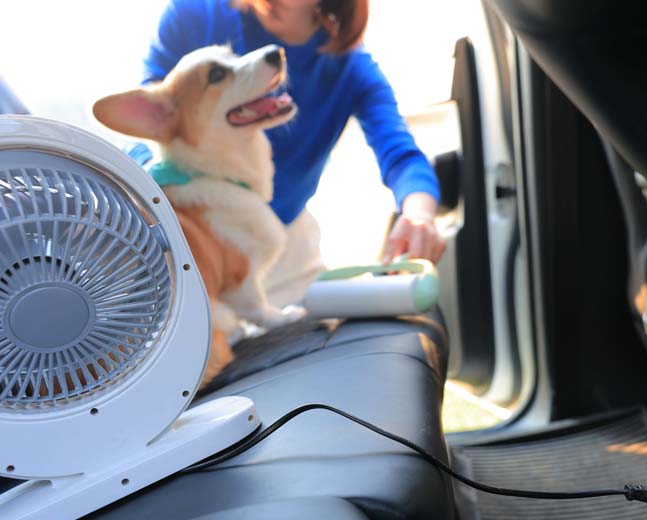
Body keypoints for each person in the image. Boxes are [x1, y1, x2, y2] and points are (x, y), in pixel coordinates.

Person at [143, 0, 445, 306]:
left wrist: (418, 215)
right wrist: (153, 195)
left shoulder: (352, 71)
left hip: (285, 249)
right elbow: (148, 118)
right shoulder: (195, 13)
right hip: (188, 234)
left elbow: (401, 155)